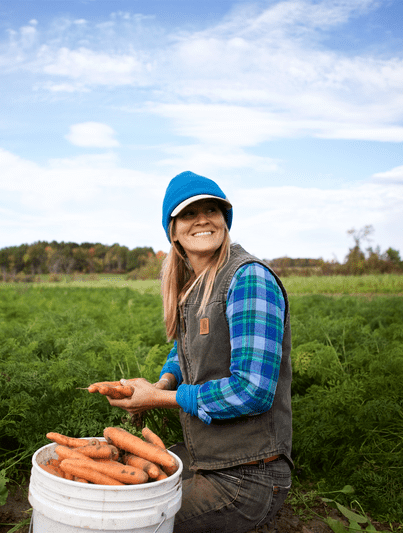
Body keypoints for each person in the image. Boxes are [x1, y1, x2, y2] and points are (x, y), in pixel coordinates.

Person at [108, 171, 293, 533]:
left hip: (248, 475)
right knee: (122, 486)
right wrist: (162, 383)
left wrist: (163, 400)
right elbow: (185, 353)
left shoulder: (247, 278)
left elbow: (252, 391)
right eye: (190, 213)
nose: (203, 219)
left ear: (226, 220)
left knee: (139, 525)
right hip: (208, 456)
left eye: (212, 210)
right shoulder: (193, 286)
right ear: (173, 230)